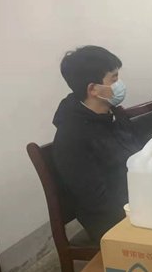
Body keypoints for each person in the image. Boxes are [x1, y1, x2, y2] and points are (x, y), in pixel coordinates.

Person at [53, 45, 143, 242]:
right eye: (114, 79)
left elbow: (140, 152)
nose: (120, 85)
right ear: (93, 89)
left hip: (140, 199)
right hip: (112, 222)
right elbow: (98, 202)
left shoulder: (114, 114)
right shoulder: (71, 136)